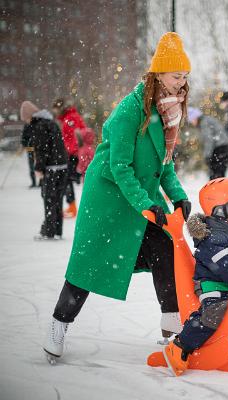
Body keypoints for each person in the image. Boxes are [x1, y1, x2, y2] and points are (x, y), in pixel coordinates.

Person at [43, 32, 193, 363]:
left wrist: (178, 196)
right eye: (175, 76)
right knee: (89, 263)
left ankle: (172, 325)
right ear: (158, 75)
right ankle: (58, 325)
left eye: (184, 76)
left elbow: (162, 165)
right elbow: (120, 166)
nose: (181, 83)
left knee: (164, 245)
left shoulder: (167, 111)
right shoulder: (131, 110)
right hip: (110, 197)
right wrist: (147, 204)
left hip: (139, 197)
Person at [162, 177, 228, 376]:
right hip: (213, 284)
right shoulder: (213, 239)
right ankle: (181, 345)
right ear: (220, 211)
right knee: (214, 312)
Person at [20, 101, 68, 240]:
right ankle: (57, 230)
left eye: (26, 118)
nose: (26, 122)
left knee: (49, 199)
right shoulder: (51, 123)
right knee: (57, 199)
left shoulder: (39, 127)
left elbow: (42, 150)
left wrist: (39, 168)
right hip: (62, 165)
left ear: (30, 116)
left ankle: (49, 232)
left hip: (51, 168)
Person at [52, 97, 87, 218]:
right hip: (72, 153)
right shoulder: (68, 117)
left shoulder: (70, 118)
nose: (55, 112)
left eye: (56, 109)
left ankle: (73, 207)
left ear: (60, 108)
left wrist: (71, 151)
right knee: (67, 179)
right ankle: (72, 206)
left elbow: (76, 136)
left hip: (73, 154)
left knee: (66, 179)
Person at [189, 107, 228, 180]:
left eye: (192, 120)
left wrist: (207, 155)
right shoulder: (208, 119)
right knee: (220, 176)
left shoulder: (204, 123)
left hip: (219, 150)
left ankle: (215, 191)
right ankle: (220, 190)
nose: (192, 123)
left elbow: (208, 140)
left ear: (195, 117)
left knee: (215, 177)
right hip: (225, 148)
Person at [20, 101, 39, 188]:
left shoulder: (38, 124)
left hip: (38, 147)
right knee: (31, 165)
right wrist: (24, 143)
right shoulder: (27, 125)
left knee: (38, 163)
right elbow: (24, 136)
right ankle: (34, 181)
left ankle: (41, 181)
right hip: (30, 147)